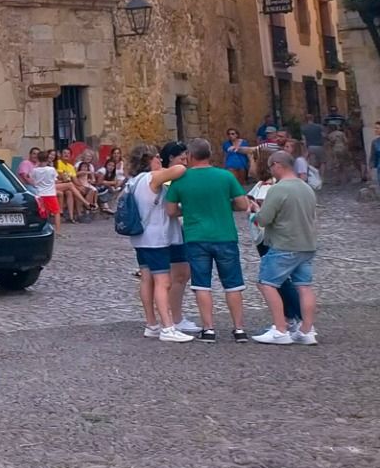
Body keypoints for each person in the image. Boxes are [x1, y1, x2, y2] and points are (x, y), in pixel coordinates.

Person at [164, 138, 252, 342]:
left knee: (202, 284)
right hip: (225, 235)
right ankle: (239, 329)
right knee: (233, 284)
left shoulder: (181, 180)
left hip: (196, 236)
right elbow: (241, 204)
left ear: (191, 156)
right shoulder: (225, 176)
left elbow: (170, 211)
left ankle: (208, 329)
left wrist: (188, 209)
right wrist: (223, 205)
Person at [123, 144, 193, 342]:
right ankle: (167, 327)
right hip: (156, 238)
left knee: (147, 279)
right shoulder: (150, 178)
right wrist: (165, 169)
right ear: (148, 160)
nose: (160, 161)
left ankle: (152, 324)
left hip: (141, 238)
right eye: (156, 158)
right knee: (163, 282)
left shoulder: (133, 181)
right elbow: (179, 170)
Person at [250, 151, 320, 344]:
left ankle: (280, 329)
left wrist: (255, 211)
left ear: (278, 165)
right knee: (304, 287)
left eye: (272, 167)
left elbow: (264, 219)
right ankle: (307, 330)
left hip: (284, 244)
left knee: (267, 284)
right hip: (306, 244)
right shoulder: (306, 188)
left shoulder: (278, 189)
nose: (271, 170)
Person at [27, 149, 61, 224]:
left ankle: (44, 228)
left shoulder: (35, 170)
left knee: (43, 212)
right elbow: (55, 179)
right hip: (50, 193)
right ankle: (58, 231)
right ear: (47, 159)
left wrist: (36, 165)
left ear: (38, 159)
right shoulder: (51, 169)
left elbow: (29, 176)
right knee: (56, 212)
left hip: (40, 194)